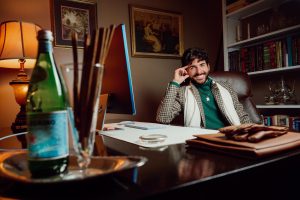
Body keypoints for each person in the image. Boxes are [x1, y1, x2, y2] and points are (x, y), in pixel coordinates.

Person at [156, 47, 251, 129]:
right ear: (186, 71)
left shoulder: (226, 88)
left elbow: (242, 117)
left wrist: (252, 134)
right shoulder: (182, 93)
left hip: (231, 138)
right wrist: (175, 82)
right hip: (201, 142)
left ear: (208, 66)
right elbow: (163, 119)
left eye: (202, 65)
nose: (199, 71)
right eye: (192, 67)